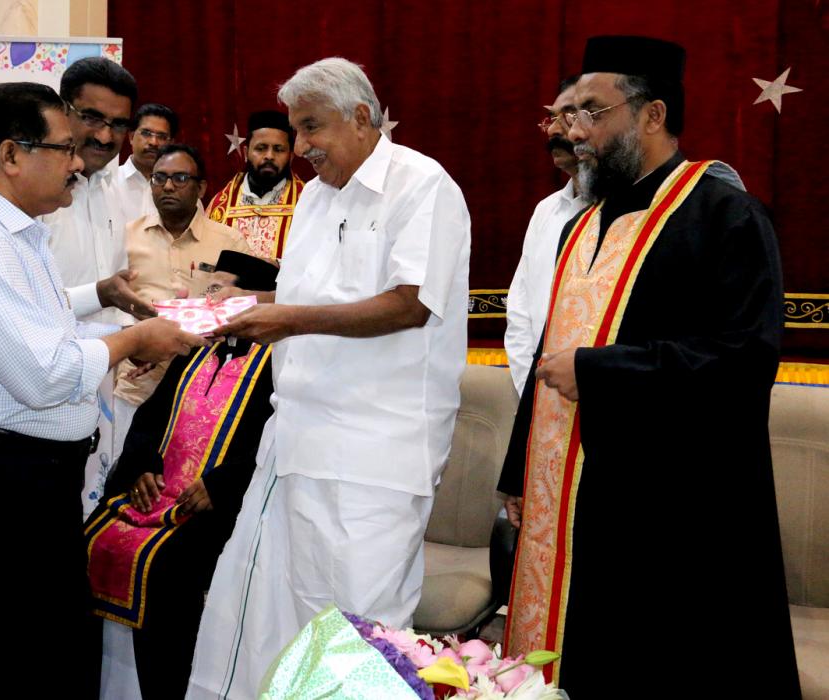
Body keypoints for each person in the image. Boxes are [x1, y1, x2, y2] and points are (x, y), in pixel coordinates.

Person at [497, 36, 800, 697]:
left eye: (591, 111)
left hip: (671, 505)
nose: (574, 130)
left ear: (651, 114)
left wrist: (601, 373)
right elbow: (552, 350)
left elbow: (745, 357)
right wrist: (519, 471)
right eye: (568, 113)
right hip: (572, 493)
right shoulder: (581, 226)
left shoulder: (726, 215)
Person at [186, 57, 471, 700]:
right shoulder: (316, 196)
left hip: (373, 454)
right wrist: (239, 306)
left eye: (311, 127)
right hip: (296, 444)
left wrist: (285, 319)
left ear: (361, 117)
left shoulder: (422, 185)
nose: (300, 146)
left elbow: (411, 304)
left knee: (358, 631)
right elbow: (305, 298)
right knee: (277, 620)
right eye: (296, 129)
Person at [0, 82, 204, 700]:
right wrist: (133, 339)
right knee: (15, 664)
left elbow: (37, 324)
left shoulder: (13, 230)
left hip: (27, 479)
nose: (78, 162)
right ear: (11, 155)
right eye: (64, 147)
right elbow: (43, 374)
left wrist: (103, 308)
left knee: (54, 654)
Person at [88, 251, 278, 700]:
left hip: (215, 505)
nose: (208, 299)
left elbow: (274, 439)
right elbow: (152, 417)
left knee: (168, 570)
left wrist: (222, 485)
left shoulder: (277, 363)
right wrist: (142, 466)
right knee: (90, 542)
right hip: (156, 495)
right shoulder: (196, 349)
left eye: (219, 290)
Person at [112, 144, 251, 459]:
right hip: (137, 388)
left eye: (180, 178)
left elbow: (244, 313)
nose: (168, 186)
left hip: (201, 397)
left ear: (201, 187)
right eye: (159, 178)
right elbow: (110, 306)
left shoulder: (230, 243)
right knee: (125, 479)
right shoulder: (126, 238)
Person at [43, 56, 154, 325]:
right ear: (62, 111)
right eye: (92, 118)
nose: (105, 136)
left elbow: (116, 297)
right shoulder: (34, 196)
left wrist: (139, 332)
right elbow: (23, 306)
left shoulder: (114, 191)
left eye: (118, 124)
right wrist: (100, 295)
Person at [504, 76, 587, 399]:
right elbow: (520, 310)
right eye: (551, 118)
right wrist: (534, 388)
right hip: (542, 397)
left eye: (568, 116)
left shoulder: (635, 211)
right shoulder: (546, 211)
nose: (553, 130)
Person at [205, 110, 304, 260]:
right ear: (246, 153)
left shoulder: (306, 202)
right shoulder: (220, 207)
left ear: (290, 156)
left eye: (278, 149)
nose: (269, 156)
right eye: (261, 148)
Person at [115, 102, 178, 223]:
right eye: (146, 133)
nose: (153, 142)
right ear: (131, 137)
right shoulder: (108, 183)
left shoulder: (182, 190)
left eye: (162, 136)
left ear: (171, 144)